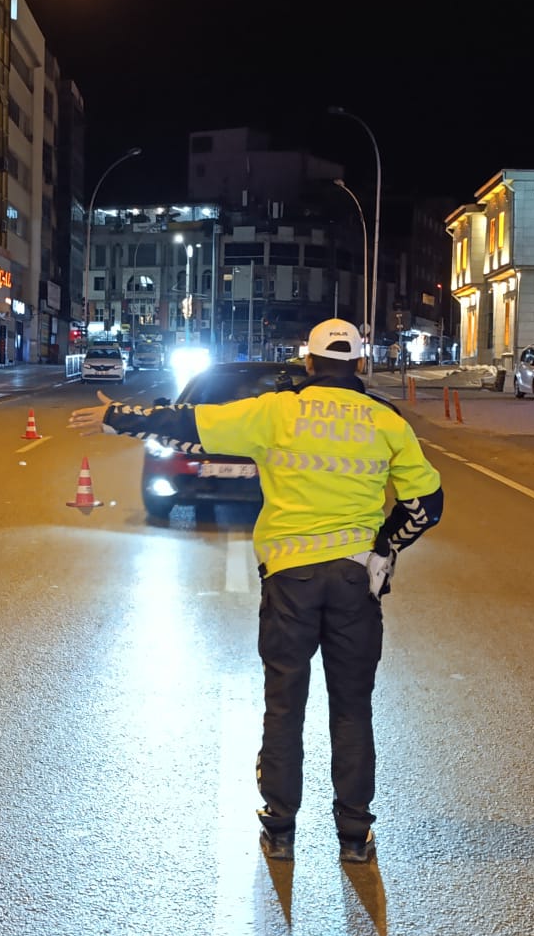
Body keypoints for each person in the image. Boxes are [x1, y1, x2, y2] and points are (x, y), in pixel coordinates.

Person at [71, 318, 444, 864]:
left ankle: (281, 828)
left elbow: (193, 423)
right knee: (352, 707)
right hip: (354, 580)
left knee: (284, 703)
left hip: (290, 580)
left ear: (309, 362)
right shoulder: (386, 421)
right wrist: (385, 549)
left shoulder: (276, 411)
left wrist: (118, 415)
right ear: (359, 364)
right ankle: (354, 834)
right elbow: (425, 506)